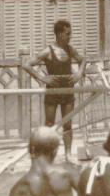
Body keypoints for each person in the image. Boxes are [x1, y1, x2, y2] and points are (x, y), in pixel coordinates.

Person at [29, 19, 86, 160]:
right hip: (53, 91)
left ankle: (68, 155)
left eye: (70, 34)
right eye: (67, 34)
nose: (69, 36)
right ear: (59, 34)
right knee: (49, 125)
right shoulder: (48, 51)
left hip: (67, 90)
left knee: (68, 123)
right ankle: (47, 156)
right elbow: (27, 64)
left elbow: (83, 60)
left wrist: (79, 73)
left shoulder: (69, 49)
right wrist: (42, 78)